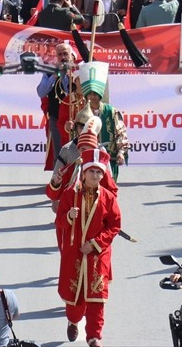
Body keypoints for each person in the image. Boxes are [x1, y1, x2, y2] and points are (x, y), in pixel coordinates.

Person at [55, 148, 121, 347]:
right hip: (74, 253)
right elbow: (59, 222)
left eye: (99, 172)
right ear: (83, 173)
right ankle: (73, 320)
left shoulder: (109, 198)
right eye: (91, 171)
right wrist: (69, 216)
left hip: (97, 254)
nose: (95, 175)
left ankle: (94, 337)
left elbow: (115, 225)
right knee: (75, 302)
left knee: (96, 298)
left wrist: (94, 244)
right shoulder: (70, 195)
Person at [81, 73, 127, 181]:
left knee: (109, 189)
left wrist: (121, 152)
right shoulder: (82, 114)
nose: (92, 97)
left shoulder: (111, 111)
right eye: (90, 94)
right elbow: (76, 136)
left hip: (109, 158)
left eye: (95, 94)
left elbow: (121, 133)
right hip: (88, 160)